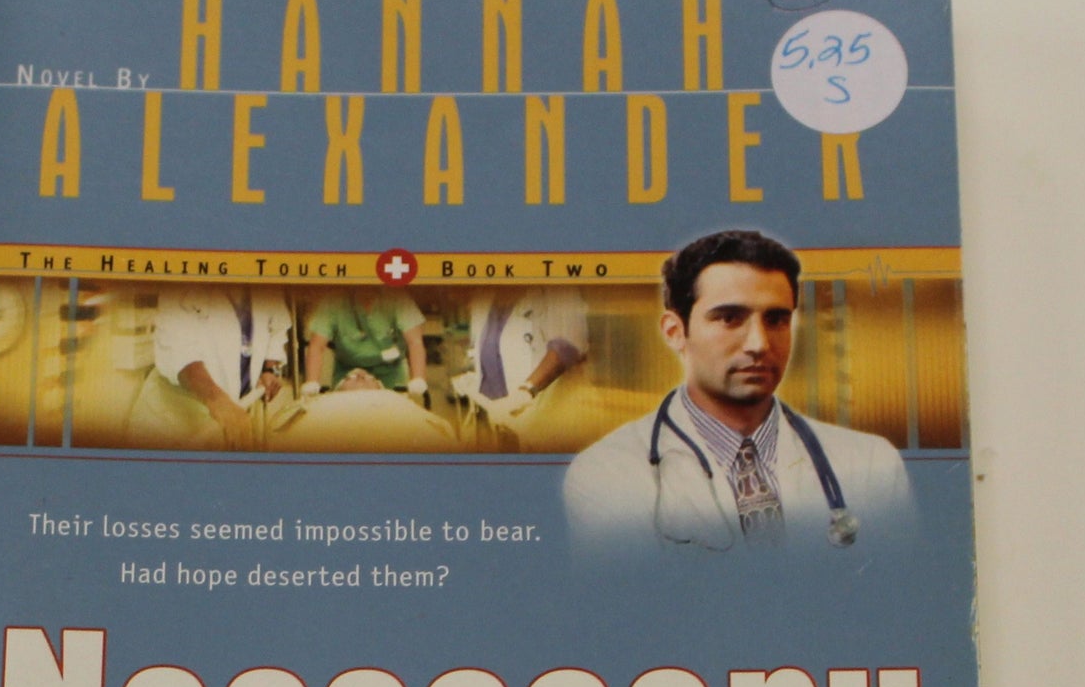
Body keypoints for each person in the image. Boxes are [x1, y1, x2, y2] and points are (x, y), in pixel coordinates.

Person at [562, 230, 908, 551]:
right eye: (729, 318)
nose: (759, 344)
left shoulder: (872, 465)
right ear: (675, 332)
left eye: (776, 320)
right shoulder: (606, 474)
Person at [129, 285, 291, 448]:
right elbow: (180, 351)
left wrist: (269, 369)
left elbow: (278, 328)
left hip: (220, 420)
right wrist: (218, 401)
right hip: (169, 423)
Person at [453, 286, 588, 450]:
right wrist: (475, 378)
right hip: (496, 419)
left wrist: (525, 392)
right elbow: (490, 346)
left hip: (540, 412)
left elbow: (568, 345)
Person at [303, 289, 427, 398]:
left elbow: (415, 342)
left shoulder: (398, 298)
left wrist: (418, 378)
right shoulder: (333, 300)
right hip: (347, 371)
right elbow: (316, 346)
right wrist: (312, 382)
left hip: (390, 372)